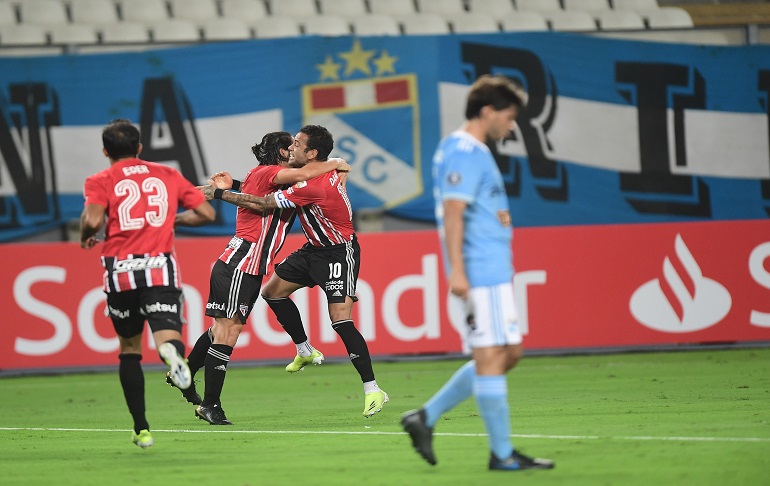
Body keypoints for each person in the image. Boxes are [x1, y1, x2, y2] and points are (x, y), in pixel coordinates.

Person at [400, 75, 555, 471]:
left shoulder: (471, 149)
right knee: (490, 355)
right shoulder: (465, 151)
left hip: (494, 270)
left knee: (508, 354)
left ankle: (425, 417)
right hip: (480, 271)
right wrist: (458, 272)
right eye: (509, 115)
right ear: (488, 112)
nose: (512, 124)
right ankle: (501, 454)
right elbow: (454, 211)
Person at [200, 125, 388, 418]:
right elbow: (270, 186)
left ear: (312, 153)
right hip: (313, 249)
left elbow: (262, 202)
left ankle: (372, 388)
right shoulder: (320, 169)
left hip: (339, 251)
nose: (290, 149)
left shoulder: (310, 185)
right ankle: (303, 349)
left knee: (340, 320)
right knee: (272, 293)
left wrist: (220, 194)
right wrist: (235, 183)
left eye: (297, 144)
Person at [182, 131, 350, 425]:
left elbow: (254, 192)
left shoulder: (266, 177)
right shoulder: (269, 172)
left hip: (247, 265)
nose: (295, 150)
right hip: (241, 262)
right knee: (227, 333)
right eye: (292, 146)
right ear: (283, 152)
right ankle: (210, 404)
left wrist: (215, 189)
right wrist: (336, 160)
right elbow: (276, 192)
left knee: (221, 330)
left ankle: (184, 373)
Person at [80, 118, 216, 448]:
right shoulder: (166, 174)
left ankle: (141, 427)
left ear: (105, 151)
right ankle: (173, 356)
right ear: (140, 148)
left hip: (121, 271)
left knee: (129, 351)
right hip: (160, 269)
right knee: (168, 337)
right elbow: (206, 215)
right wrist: (173, 219)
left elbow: (94, 219)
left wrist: (87, 234)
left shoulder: (100, 179)